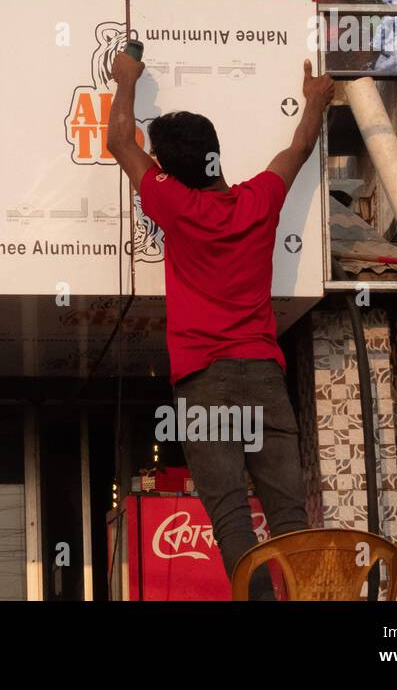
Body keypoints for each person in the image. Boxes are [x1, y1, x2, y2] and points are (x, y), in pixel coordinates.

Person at [107, 51, 334, 599]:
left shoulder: (175, 205)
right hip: (263, 379)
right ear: (214, 156)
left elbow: (119, 142)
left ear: (172, 169)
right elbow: (299, 148)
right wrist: (317, 100)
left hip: (204, 383)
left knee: (231, 513)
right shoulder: (259, 200)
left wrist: (127, 80)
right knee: (287, 512)